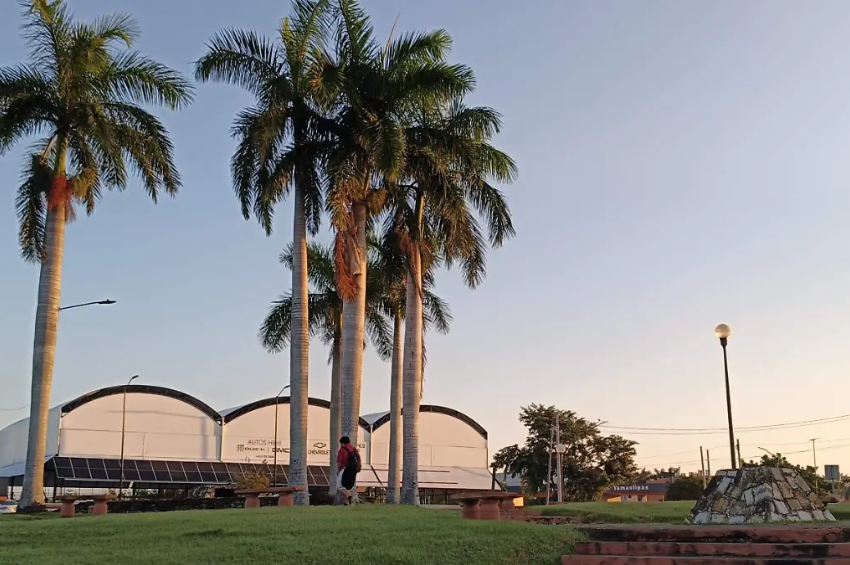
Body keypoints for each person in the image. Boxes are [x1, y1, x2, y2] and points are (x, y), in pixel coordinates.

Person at [336, 436, 361, 505]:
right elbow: (359, 460)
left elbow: (339, 462)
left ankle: (349, 497)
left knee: (340, 487)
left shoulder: (342, 450)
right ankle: (346, 503)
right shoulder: (354, 450)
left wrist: (338, 470)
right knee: (348, 487)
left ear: (342, 443)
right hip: (353, 470)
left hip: (345, 469)